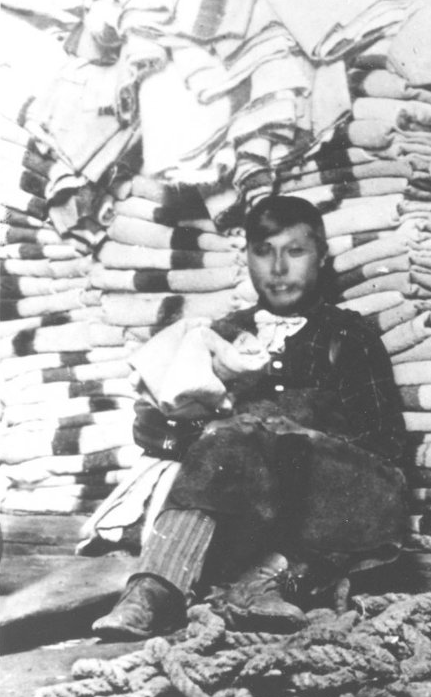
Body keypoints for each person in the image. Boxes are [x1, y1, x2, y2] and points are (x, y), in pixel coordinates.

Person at [92, 195, 408, 639]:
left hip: (320, 512)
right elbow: (161, 431)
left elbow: (388, 442)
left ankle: (265, 584)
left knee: (377, 481)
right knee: (223, 446)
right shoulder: (221, 336)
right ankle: (155, 589)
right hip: (244, 512)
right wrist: (198, 423)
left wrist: (302, 436)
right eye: (264, 251)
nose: (278, 268)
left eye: (295, 252)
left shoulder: (349, 336)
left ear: (322, 257)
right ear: (247, 258)